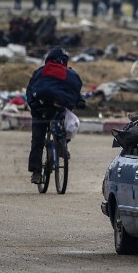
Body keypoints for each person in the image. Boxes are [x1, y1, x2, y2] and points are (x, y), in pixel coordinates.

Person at [25, 47, 85, 184]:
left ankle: (36, 173)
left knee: (37, 140)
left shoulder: (40, 72)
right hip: (59, 110)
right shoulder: (70, 74)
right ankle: (62, 146)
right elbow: (74, 90)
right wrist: (80, 102)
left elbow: (30, 91)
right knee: (66, 128)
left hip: (40, 110)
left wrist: (32, 104)